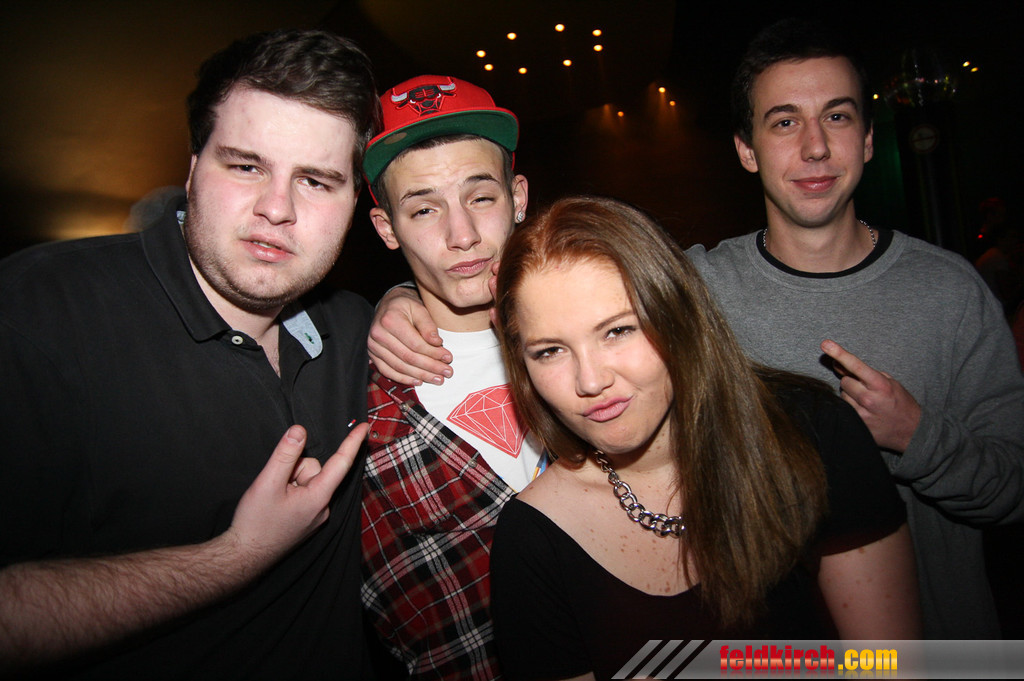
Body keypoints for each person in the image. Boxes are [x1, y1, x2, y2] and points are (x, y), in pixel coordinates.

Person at [369, 18, 1024, 639]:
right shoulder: (691, 287)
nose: (815, 147)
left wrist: (918, 437)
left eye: (838, 116)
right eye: (784, 121)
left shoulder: (941, 297)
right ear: (745, 147)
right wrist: (392, 299)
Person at [0, 29, 380, 678]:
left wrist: (406, 295)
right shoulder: (38, 309)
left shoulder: (359, 329)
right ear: (193, 166)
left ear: (355, 205)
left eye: (316, 181)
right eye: (246, 166)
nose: (277, 208)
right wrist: (235, 556)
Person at [488, 196, 919, 680]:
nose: (590, 381)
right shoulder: (532, 541)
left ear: (676, 314)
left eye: (618, 331)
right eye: (549, 351)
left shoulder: (813, 433)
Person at [359, 75, 540, 680]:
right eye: (424, 209)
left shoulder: (603, 335)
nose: (462, 236)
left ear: (518, 197)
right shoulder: (362, 414)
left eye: (480, 197)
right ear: (387, 228)